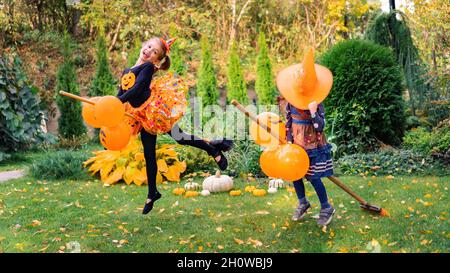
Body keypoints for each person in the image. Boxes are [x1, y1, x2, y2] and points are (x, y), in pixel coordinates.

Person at [117, 37, 232, 214]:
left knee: (180, 138)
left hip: (154, 112)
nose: (148, 51)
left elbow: (138, 88)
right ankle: (152, 193)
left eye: (154, 51)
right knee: (149, 154)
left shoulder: (147, 67)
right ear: (143, 45)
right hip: (140, 115)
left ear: (156, 60)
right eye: (148, 46)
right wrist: (113, 103)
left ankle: (213, 149)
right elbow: (123, 91)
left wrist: (117, 101)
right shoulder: (127, 70)